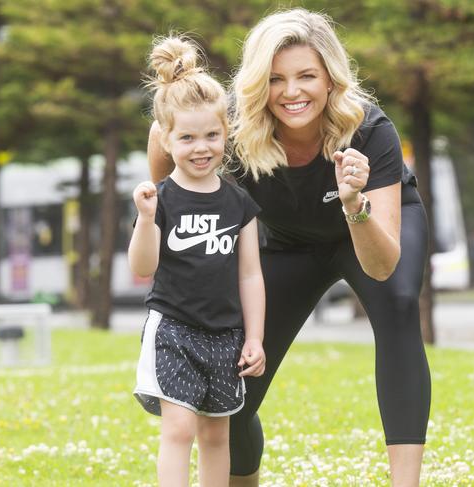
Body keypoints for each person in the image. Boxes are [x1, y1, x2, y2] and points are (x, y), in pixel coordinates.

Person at [148, 10, 431, 487]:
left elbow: (382, 267)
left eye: (307, 76)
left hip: (365, 230)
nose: (292, 91)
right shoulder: (233, 128)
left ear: (330, 79)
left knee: (400, 304)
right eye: (276, 79)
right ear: (259, 82)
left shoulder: (369, 130)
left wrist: (353, 203)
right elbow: (163, 137)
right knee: (231, 377)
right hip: (288, 245)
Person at [130, 36, 266, 487]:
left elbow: (250, 273)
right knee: (180, 429)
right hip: (174, 329)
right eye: (186, 137)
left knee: (215, 433)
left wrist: (256, 338)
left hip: (226, 335)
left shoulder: (239, 203)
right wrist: (147, 220)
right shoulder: (160, 198)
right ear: (166, 140)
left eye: (211, 135)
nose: (200, 147)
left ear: (226, 134)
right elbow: (143, 266)